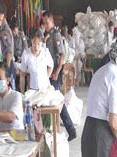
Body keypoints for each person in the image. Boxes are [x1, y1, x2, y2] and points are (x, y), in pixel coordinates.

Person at [42, 11, 77, 141]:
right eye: (43, 23)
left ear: (52, 21)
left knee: (57, 103)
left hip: (55, 74)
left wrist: (56, 72)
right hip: (49, 74)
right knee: (56, 102)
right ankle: (68, 129)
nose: (45, 25)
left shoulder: (56, 36)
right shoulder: (48, 35)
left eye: (47, 23)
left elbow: (62, 55)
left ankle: (70, 129)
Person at [0, 62, 23, 130]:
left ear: (7, 80)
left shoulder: (15, 96)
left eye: (0, 78)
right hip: (1, 136)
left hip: (18, 136)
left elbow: (11, 117)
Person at [19, 29, 53, 93]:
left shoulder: (45, 52)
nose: (36, 47)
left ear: (42, 43)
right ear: (31, 40)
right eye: (34, 43)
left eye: (39, 44)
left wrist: (46, 77)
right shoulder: (26, 54)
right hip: (33, 89)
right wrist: (22, 93)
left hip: (45, 88)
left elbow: (51, 66)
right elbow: (22, 75)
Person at [0, 16, 16, 89]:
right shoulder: (3, 30)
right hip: (6, 62)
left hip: (7, 62)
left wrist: (7, 69)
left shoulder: (4, 31)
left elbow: (8, 51)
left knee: (10, 88)